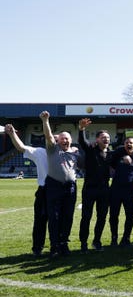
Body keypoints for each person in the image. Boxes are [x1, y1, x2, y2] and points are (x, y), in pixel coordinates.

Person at [40, 111, 82, 258]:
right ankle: (54, 245)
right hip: (54, 186)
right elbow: (49, 136)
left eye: (67, 139)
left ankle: (64, 243)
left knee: (68, 216)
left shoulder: (75, 152)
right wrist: (46, 121)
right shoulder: (53, 149)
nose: (65, 141)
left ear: (71, 140)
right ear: (58, 141)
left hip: (70, 188)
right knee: (54, 217)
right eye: (63, 139)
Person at [4, 124, 49, 256]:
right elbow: (21, 147)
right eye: (53, 138)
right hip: (44, 190)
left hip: (59, 191)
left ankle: (57, 246)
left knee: (58, 221)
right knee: (40, 221)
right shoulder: (40, 152)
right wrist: (12, 134)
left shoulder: (65, 153)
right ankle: (37, 248)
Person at [77, 118, 112, 252]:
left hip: (104, 190)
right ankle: (83, 243)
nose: (106, 139)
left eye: (108, 138)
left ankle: (97, 241)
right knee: (86, 217)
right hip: (90, 189)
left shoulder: (110, 153)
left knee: (102, 217)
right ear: (97, 139)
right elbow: (82, 142)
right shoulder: (91, 149)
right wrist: (81, 129)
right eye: (103, 137)